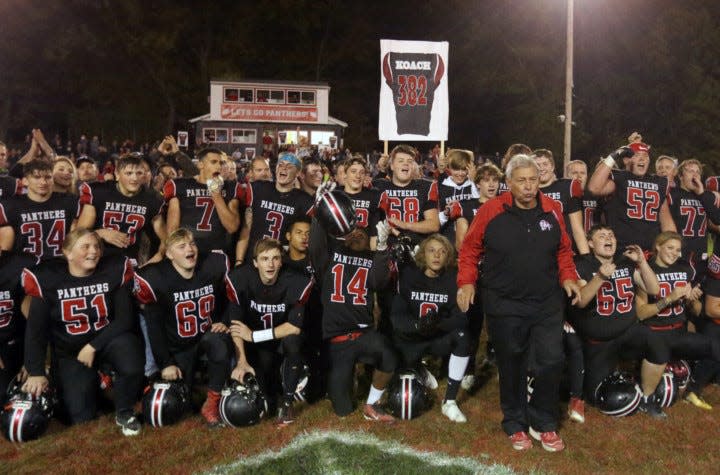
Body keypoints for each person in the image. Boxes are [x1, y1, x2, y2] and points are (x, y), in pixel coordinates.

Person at [457, 154, 581, 452]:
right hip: (504, 302)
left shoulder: (552, 209)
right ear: (508, 183)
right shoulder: (490, 211)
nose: (528, 187)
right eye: (521, 181)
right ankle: (514, 422)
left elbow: (564, 250)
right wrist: (466, 282)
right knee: (511, 361)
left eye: (533, 180)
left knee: (551, 360)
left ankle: (544, 422)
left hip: (547, 301)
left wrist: (568, 277)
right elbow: (470, 249)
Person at [22, 229, 143, 435]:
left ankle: (124, 411)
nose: (93, 251)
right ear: (68, 253)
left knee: (129, 353)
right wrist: (36, 371)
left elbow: (125, 319)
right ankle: (94, 382)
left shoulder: (113, 269)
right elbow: (36, 330)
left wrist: (93, 346)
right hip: (70, 352)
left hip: (106, 343)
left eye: (96, 246)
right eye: (85, 246)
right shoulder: (47, 279)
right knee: (80, 417)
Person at [133, 228, 232, 427]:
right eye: (182, 246)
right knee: (176, 407)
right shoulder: (156, 277)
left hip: (206, 337)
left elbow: (231, 299)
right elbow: (154, 326)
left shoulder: (213, 265)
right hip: (178, 346)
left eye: (192, 244)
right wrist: (165, 362)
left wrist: (225, 320)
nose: (190, 249)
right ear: (169, 254)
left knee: (219, 342)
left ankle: (212, 403)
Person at [570, 225, 670, 418]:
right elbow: (580, 301)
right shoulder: (581, 264)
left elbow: (654, 289)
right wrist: (600, 277)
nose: (609, 238)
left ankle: (647, 399)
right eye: (602, 236)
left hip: (628, 331)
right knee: (595, 397)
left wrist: (642, 262)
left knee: (659, 345)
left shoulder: (625, 262)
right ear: (590, 243)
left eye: (611, 235)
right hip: (599, 341)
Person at [310, 210, 397, 421]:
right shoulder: (330, 256)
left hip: (363, 334)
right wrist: (317, 217)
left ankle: (372, 404)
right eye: (353, 231)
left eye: (362, 233)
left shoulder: (373, 258)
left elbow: (379, 282)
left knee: (389, 355)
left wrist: (383, 247)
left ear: (369, 239)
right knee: (343, 409)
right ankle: (348, 381)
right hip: (338, 341)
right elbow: (315, 247)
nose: (357, 234)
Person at [226, 238, 313, 424]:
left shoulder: (295, 280)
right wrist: (241, 361)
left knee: (293, 341)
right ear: (255, 263)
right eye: (265, 259)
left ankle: (288, 401)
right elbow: (236, 325)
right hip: (258, 347)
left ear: (281, 261)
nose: (271, 264)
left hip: (280, 340)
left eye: (275, 258)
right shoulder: (240, 279)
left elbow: (294, 327)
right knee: (268, 398)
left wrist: (254, 335)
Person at [635, 231, 720, 409]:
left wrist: (693, 299)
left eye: (678, 250)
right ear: (657, 247)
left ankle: (692, 391)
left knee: (716, 347)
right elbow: (641, 313)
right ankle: (647, 400)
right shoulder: (645, 270)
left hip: (678, 332)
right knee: (658, 363)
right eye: (670, 248)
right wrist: (669, 299)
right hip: (654, 334)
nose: (674, 253)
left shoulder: (685, 269)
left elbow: (693, 309)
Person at [390, 234, 470, 422]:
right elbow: (396, 316)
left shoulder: (452, 279)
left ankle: (449, 401)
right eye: (432, 251)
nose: (437, 256)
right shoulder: (409, 277)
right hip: (413, 339)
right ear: (422, 255)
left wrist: (436, 324)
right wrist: (418, 325)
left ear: (448, 257)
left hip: (436, 338)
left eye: (442, 252)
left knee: (463, 336)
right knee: (392, 340)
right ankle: (418, 368)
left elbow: (461, 318)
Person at [587, 133, 674, 252]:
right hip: (622, 251)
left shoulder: (658, 182)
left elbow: (666, 220)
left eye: (645, 156)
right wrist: (614, 155)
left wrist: (674, 246)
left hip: (651, 251)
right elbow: (594, 188)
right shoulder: (620, 178)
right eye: (637, 155)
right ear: (626, 159)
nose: (642, 158)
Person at [78, 153, 166, 264]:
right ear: (117, 174)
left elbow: (166, 239)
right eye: (129, 173)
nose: (134, 178)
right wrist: (101, 233)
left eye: (139, 173)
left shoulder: (152, 199)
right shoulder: (100, 192)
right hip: (98, 259)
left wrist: (158, 257)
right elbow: (78, 234)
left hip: (130, 262)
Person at [235, 152, 313, 266]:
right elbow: (246, 230)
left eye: (290, 166)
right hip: (254, 258)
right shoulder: (258, 188)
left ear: (297, 173)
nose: (284, 168)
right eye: (281, 165)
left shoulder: (304, 201)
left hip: (282, 262)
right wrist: (239, 261)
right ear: (276, 168)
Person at [164, 148, 243, 257]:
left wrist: (216, 194)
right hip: (187, 251)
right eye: (213, 162)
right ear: (200, 165)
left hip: (216, 253)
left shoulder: (231, 187)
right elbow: (172, 230)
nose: (219, 166)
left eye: (221, 163)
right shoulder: (180, 185)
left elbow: (232, 227)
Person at [0, 160, 80, 261]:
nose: (43, 182)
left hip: (61, 266)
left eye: (48, 177)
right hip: (25, 269)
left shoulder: (71, 202)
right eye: (37, 177)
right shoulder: (10, 206)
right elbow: (5, 250)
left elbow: (77, 238)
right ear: (25, 181)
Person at [664, 159, 720, 283]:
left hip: (701, 256)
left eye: (697, 172)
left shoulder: (707, 196)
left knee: (698, 296)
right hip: (679, 255)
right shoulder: (673, 194)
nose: (694, 175)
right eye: (690, 171)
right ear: (681, 176)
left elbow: (717, 220)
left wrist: (701, 193)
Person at [0, 251, 38, 403]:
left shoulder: (20, 265)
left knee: (5, 396)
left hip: (13, 342)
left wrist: (32, 360)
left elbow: (35, 320)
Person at [533, 149, 588, 254]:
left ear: (552, 166)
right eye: (537, 165)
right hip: (537, 252)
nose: (541, 168)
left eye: (545, 164)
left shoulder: (567, 187)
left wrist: (586, 256)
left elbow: (577, 230)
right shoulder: (528, 191)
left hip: (563, 251)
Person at [437, 149, 479, 247]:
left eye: (464, 169)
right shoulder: (442, 184)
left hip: (470, 238)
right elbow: (436, 220)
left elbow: (479, 208)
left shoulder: (473, 185)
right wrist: (445, 213)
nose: (460, 173)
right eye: (456, 169)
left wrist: (474, 181)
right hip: (447, 237)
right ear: (449, 168)